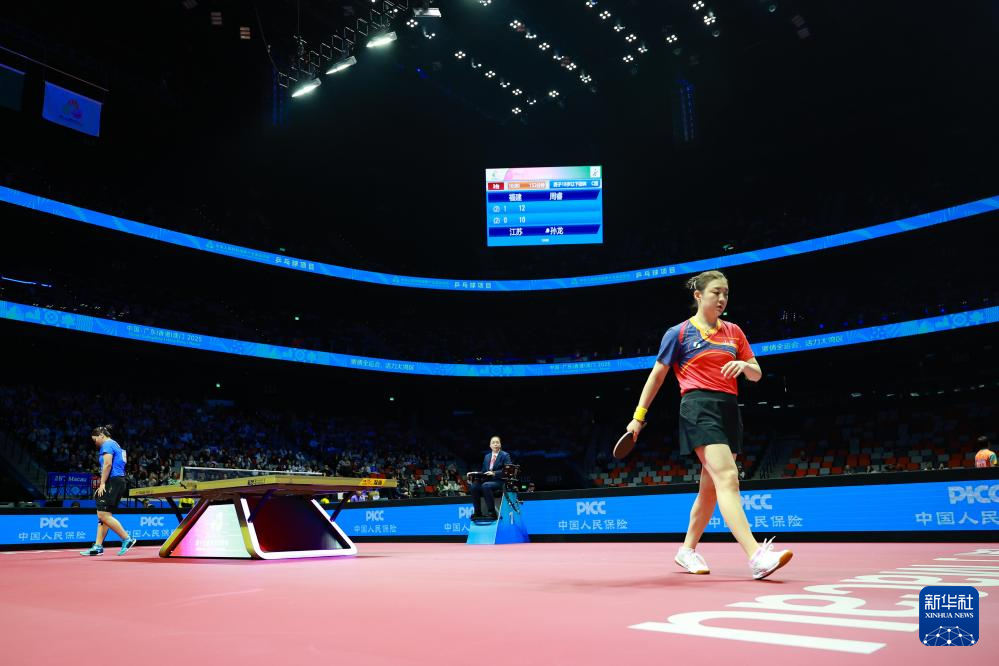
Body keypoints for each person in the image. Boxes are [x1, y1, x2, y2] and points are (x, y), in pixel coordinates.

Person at [627, 270, 792, 580]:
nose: (722, 298)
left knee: (710, 490)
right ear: (698, 295)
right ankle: (756, 555)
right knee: (728, 477)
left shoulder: (734, 332)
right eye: (716, 292)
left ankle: (686, 550)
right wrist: (638, 417)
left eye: (726, 293)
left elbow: (756, 373)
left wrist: (744, 365)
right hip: (697, 407)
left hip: (729, 409)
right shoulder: (678, 333)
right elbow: (657, 376)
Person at [80, 425, 137, 556]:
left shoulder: (107, 444)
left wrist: (102, 483)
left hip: (113, 481)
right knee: (104, 515)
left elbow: (108, 464)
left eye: (95, 440)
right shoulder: (116, 444)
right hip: (118, 481)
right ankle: (98, 546)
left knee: (103, 515)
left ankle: (127, 538)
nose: (95, 443)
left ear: (101, 436)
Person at [467, 436, 511, 521]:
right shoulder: (487, 456)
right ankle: (477, 512)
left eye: (497, 442)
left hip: (499, 481)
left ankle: (492, 512)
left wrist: (494, 473)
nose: (495, 444)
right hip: (487, 480)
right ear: (490, 445)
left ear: (500, 445)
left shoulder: (505, 455)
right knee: (474, 486)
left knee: (485, 485)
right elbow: (483, 471)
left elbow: (508, 471)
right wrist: (474, 474)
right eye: (493, 443)